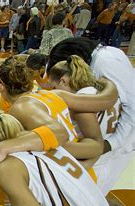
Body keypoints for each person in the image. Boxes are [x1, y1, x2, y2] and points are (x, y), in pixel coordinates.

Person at [0, 56, 118, 173]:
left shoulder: (19, 109)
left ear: (1, 87)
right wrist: (107, 82)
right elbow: (106, 101)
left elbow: (59, 138)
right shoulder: (55, 94)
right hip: (81, 166)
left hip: (66, 174)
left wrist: (3, 147)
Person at [48, 38, 134, 191]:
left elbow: (131, 107)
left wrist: (110, 144)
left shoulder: (105, 62)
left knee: (90, 196)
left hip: (116, 142)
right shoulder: (95, 85)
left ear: (64, 80)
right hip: (110, 140)